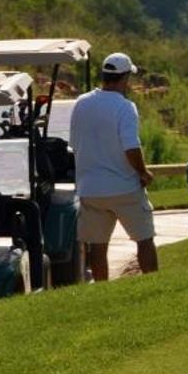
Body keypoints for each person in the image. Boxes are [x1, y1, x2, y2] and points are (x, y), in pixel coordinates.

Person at [69, 51, 157, 280]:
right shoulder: (125, 107)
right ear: (125, 77)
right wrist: (143, 172)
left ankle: (102, 290)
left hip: (90, 188)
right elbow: (131, 147)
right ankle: (153, 284)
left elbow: (75, 143)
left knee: (98, 246)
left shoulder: (81, 103)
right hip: (123, 187)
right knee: (144, 239)